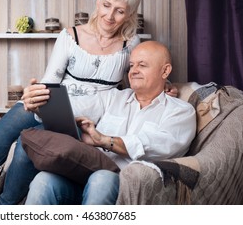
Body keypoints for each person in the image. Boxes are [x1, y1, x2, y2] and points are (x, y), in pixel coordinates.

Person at [0, 0, 144, 205]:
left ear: (129, 14)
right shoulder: (70, 35)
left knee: (26, 148)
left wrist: (164, 83)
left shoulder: (131, 43)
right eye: (107, 5)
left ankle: (5, 208)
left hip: (76, 121)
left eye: (120, 11)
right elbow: (50, 79)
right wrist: (33, 95)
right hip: (49, 102)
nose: (110, 16)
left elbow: (141, 74)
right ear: (98, 2)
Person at [23, 41, 197, 205]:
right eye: (131, 65)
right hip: (85, 174)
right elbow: (74, 109)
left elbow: (156, 146)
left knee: (102, 180)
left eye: (142, 65)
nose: (133, 71)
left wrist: (104, 140)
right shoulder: (113, 97)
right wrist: (41, 104)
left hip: (128, 186)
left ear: (165, 72)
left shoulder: (181, 111)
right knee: (43, 180)